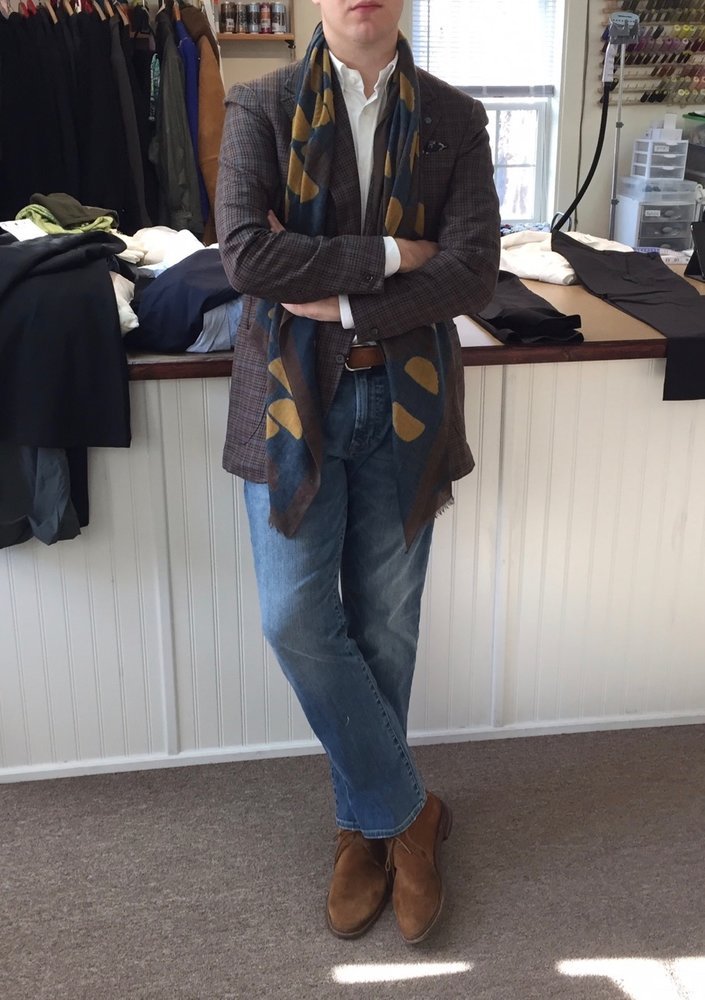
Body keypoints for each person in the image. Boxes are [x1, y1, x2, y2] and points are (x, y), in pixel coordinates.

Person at [215, 0, 500, 944]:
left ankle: (360, 828)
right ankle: (406, 810)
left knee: (384, 627)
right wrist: (391, 257)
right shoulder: (258, 106)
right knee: (295, 618)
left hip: (407, 405)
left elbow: (472, 271)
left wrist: (339, 303)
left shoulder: (455, 117)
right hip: (289, 404)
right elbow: (247, 255)